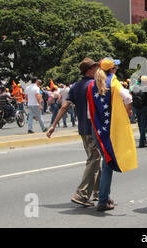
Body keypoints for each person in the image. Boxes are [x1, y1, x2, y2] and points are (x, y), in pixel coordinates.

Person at [47, 58, 102, 207]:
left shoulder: (76, 86)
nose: (97, 70)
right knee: (94, 159)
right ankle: (82, 194)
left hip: (84, 128)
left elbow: (64, 106)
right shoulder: (93, 84)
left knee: (96, 159)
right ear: (89, 70)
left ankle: (98, 192)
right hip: (93, 128)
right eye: (95, 68)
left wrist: (53, 125)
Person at [88, 57, 137, 212]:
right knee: (108, 163)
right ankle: (102, 199)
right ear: (112, 70)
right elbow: (128, 97)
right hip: (111, 129)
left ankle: (104, 197)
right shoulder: (114, 84)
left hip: (97, 129)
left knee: (106, 161)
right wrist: (128, 111)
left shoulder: (91, 85)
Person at [131, 76, 147, 148]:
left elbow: (131, 95)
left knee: (140, 124)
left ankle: (144, 140)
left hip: (136, 107)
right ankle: (141, 141)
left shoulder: (134, 87)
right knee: (143, 125)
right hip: (144, 107)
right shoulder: (146, 87)